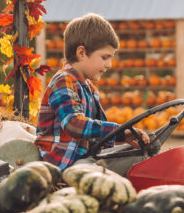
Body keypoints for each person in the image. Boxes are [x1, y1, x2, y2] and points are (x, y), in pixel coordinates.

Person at [35, 13, 150, 170]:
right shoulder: (63, 82)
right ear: (81, 53)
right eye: (104, 57)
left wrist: (123, 136)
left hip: (85, 158)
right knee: (134, 165)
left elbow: (96, 136)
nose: (109, 64)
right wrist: (119, 131)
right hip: (64, 163)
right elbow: (74, 124)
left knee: (142, 154)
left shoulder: (89, 88)